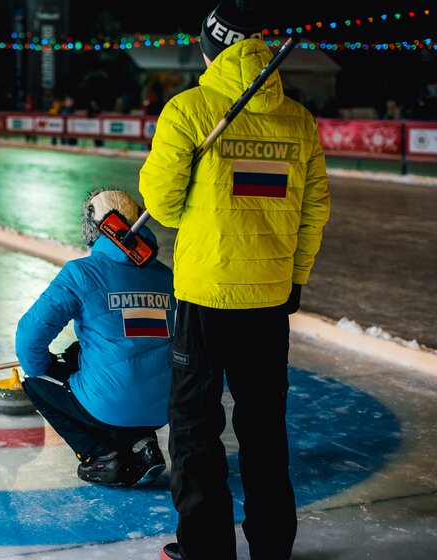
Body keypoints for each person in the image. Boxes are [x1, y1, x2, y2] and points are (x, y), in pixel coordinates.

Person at [138, 1, 331, 559]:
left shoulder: (189, 109)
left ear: (209, 48)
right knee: (264, 428)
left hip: (204, 295)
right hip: (269, 298)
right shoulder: (296, 118)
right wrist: (294, 277)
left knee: (196, 427)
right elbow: (313, 209)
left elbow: (165, 207)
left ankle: (206, 549)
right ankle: (272, 547)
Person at [15, 190, 174, 487]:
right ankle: (142, 443)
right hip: (164, 407)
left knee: (35, 382)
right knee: (90, 356)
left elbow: (28, 338)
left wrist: (46, 366)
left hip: (111, 405)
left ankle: (102, 455)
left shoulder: (82, 273)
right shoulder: (165, 276)